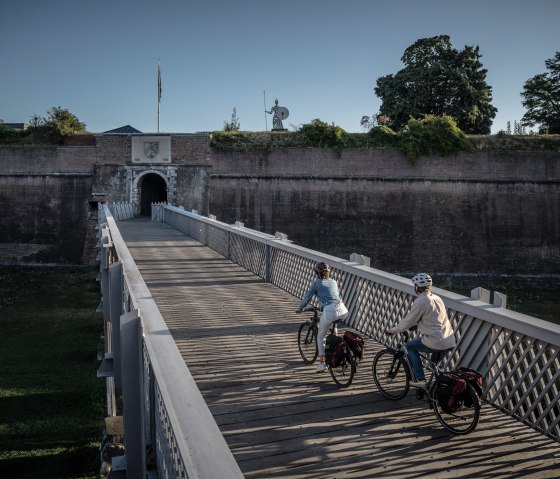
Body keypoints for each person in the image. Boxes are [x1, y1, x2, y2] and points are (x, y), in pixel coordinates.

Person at [386, 273, 456, 388]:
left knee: (409, 346)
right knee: (436, 367)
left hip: (435, 341)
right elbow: (434, 319)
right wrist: (418, 325)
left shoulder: (421, 301)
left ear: (417, 287)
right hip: (449, 340)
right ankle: (441, 389)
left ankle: (420, 379)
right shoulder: (437, 298)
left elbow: (408, 321)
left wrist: (393, 330)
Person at [296, 262, 349, 373]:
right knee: (333, 326)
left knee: (320, 336)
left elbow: (307, 297)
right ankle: (335, 347)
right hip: (343, 309)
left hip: (330, 310)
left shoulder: (316, 283)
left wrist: (300, 308)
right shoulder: (334, 282)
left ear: (317, 273)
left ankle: (322, 363)